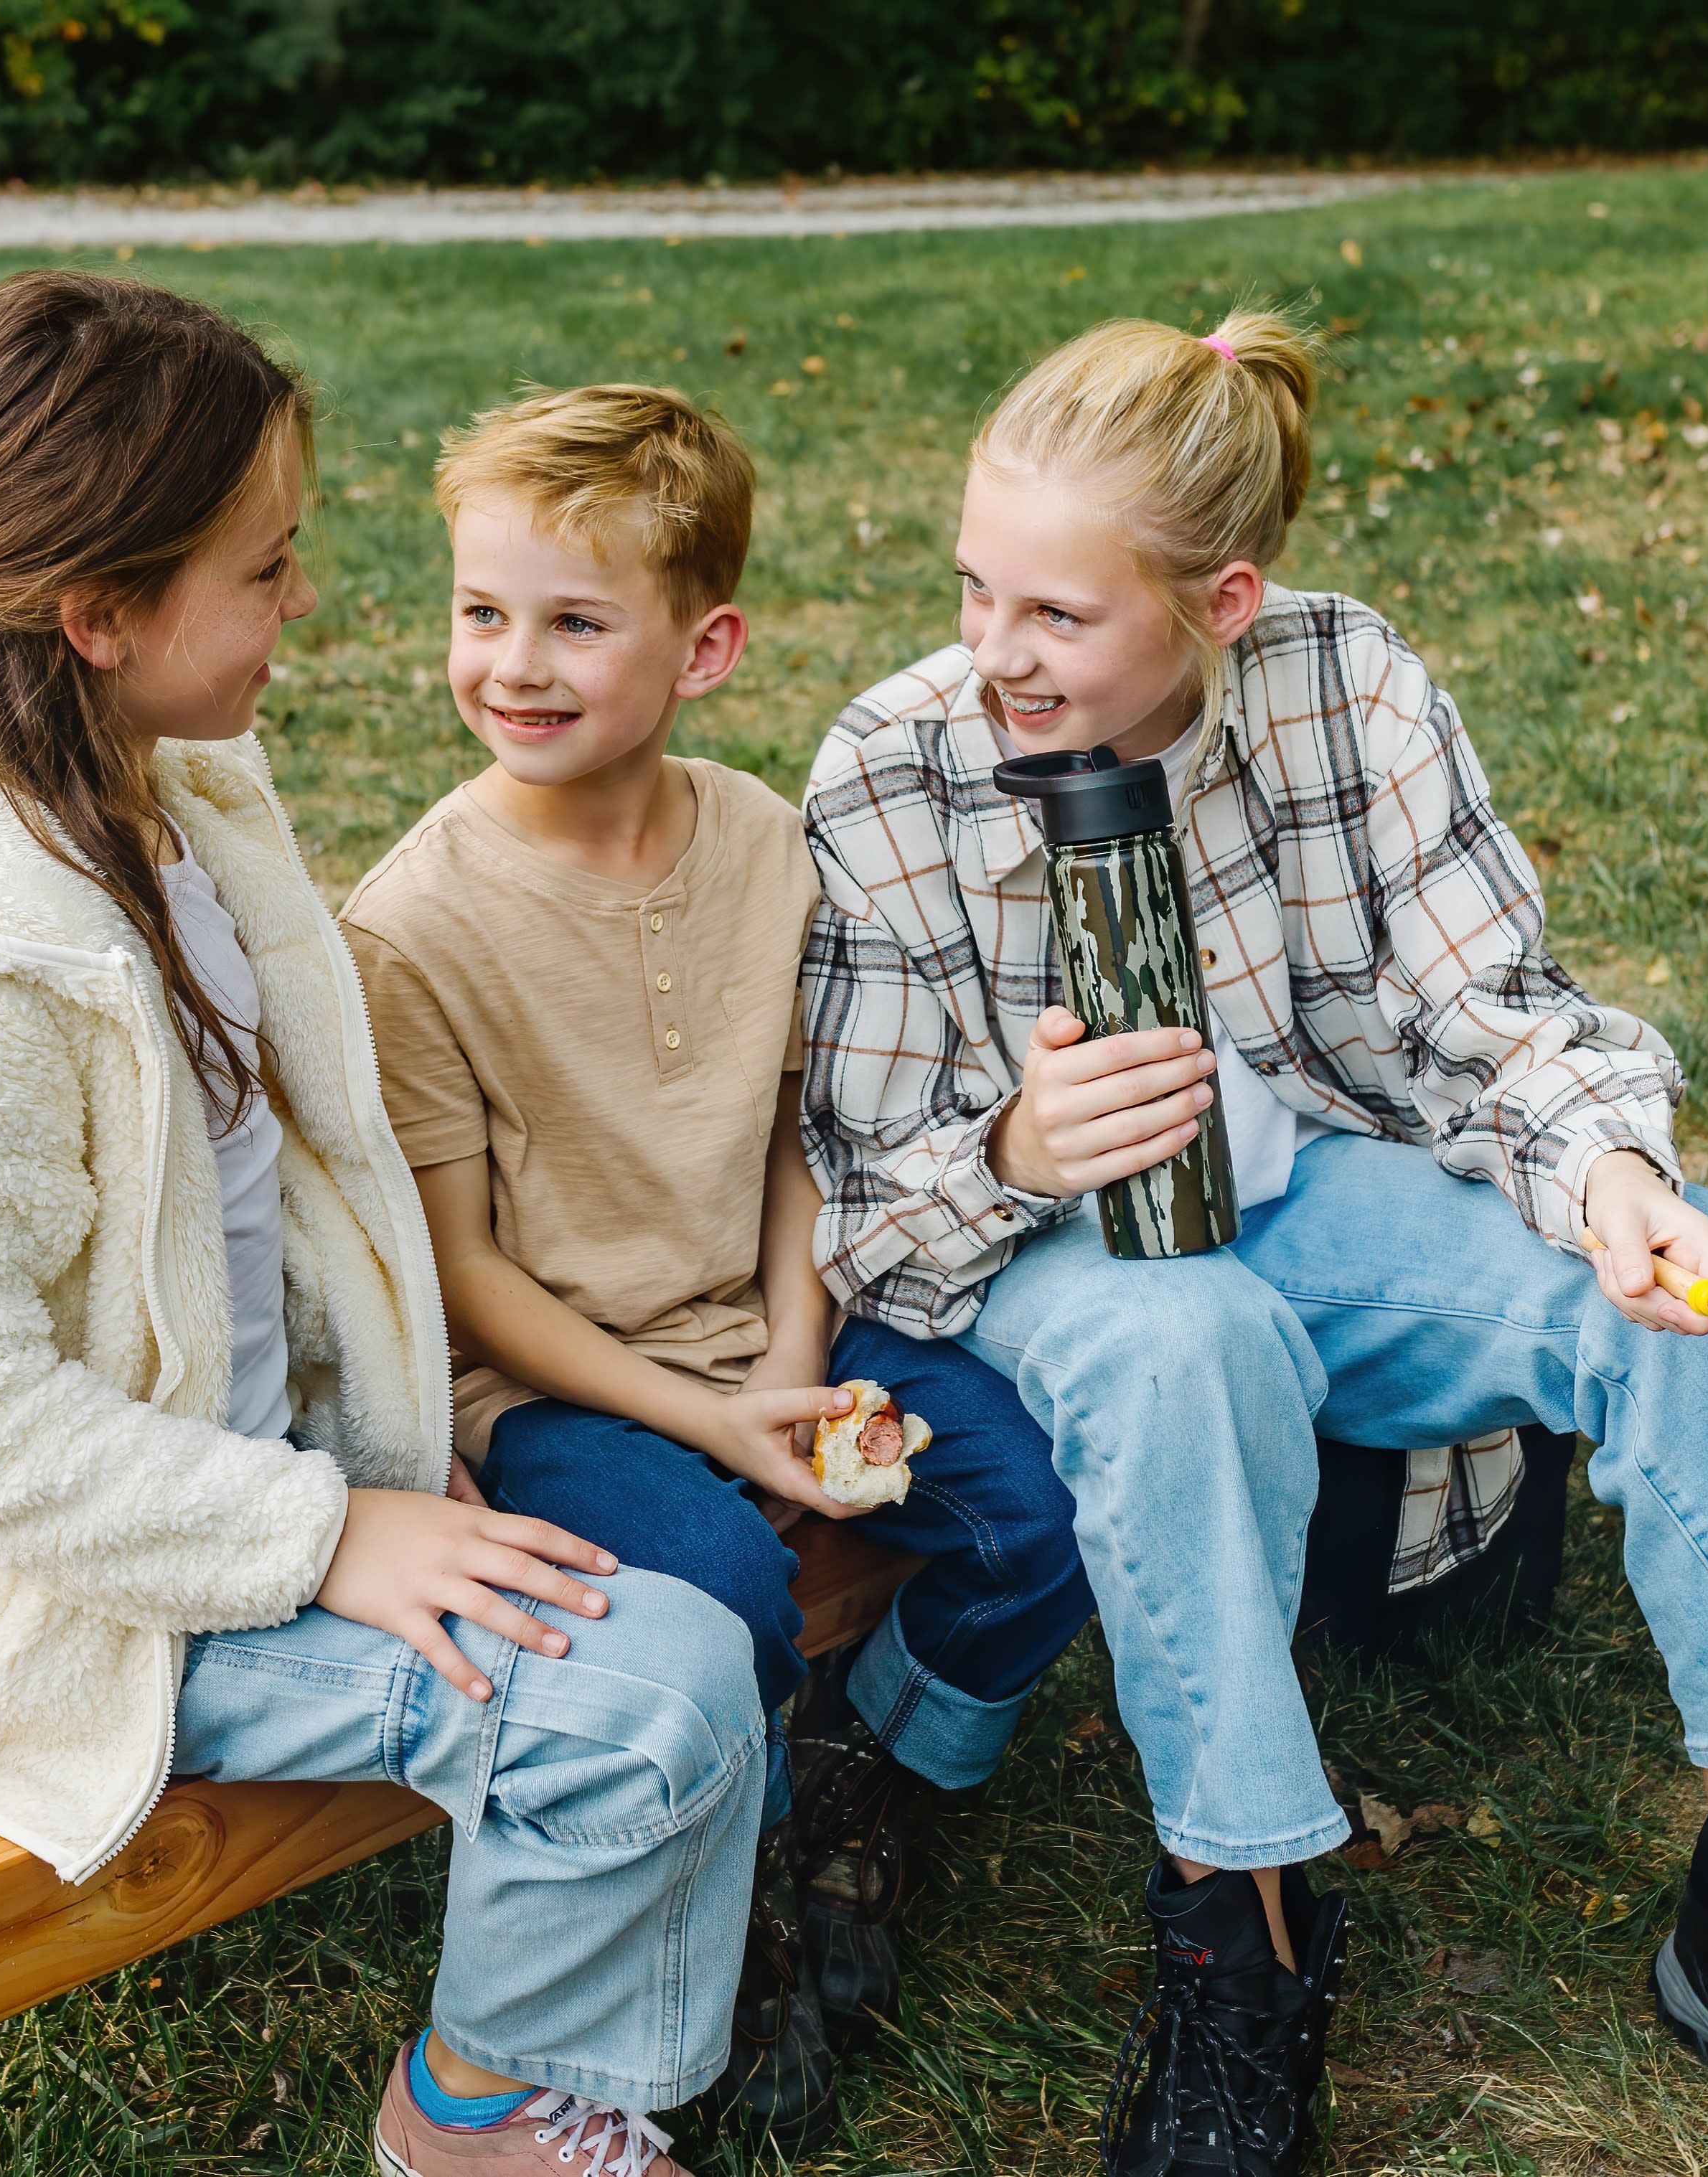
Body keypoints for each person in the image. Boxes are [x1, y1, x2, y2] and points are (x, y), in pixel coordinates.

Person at [0, 271, 769, 2177]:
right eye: (263, 573)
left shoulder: (150, 774)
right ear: (98, 615)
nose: (303, 607)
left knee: (674, 1618)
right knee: (652, 1695)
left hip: (247, 1476)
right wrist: (319, 1531)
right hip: (74, 1584)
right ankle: (478, 2116)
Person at [797, 309, 1708, 2174]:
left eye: (1055, 617)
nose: (990, 656)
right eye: (974, 594)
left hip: (1316, 1199)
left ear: (1223, 602)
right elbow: (869, 1212)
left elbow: (1482, 1002)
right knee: (1196, 1348)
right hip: (1074, 1265)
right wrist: (1022, 1143)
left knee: (1704, 1276)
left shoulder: (1344, 681)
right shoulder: (889, 773)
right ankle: (1240, 1933)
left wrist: (1606, 1178)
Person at [339, 383, 1092, 2153]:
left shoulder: (765, 840)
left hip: (764, 1328)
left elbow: (785, 1134)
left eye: (575, 621)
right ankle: (717, 1896)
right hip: (554, 1385)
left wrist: (789, 1361)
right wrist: (707, 1418)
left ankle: (869, 1768)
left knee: (1042, 1500)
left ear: (706, 646)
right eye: (480, 611)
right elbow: (461, 1274)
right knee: (712, 1596)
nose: (512, 663)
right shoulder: (409, 929)